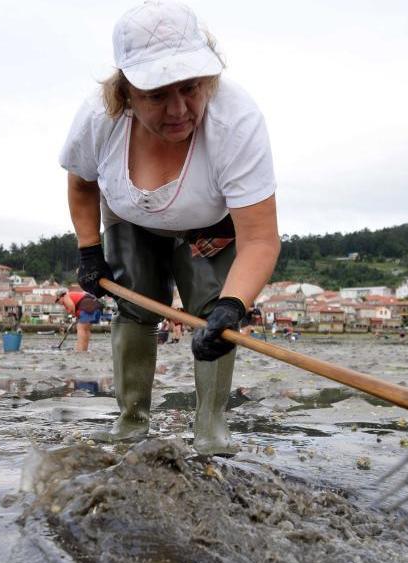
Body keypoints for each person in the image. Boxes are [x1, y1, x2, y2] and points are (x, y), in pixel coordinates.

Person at [60, 1, 280, 457]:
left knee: (211, 309)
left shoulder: (235, 121)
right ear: (126, 92)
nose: (179, 109)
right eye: (157, 95)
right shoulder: (99, 119)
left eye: (191, 88)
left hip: (210, 225)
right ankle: (131, 420)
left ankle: (211, 426)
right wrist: (88, 251)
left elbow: (259, 239)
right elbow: (82, 184)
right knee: (137, 303)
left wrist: (233, 306)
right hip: (130, 218)